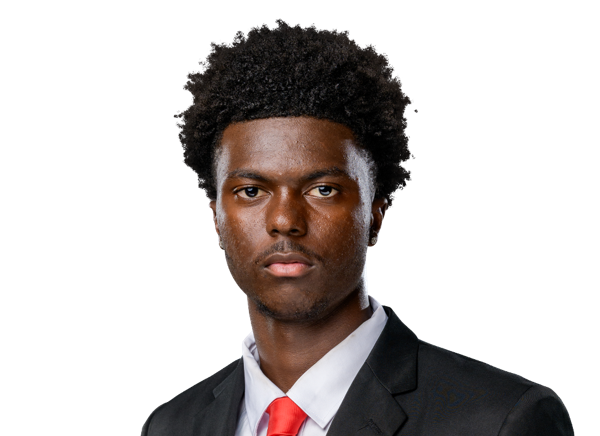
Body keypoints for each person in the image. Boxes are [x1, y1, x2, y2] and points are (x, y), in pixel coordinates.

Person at [141, 19, 574, 436]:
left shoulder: (501, 421)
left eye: (323, 189)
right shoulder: (170, 426)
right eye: (251, 191)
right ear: (216, 217)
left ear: (375, 215)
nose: (285, 221)